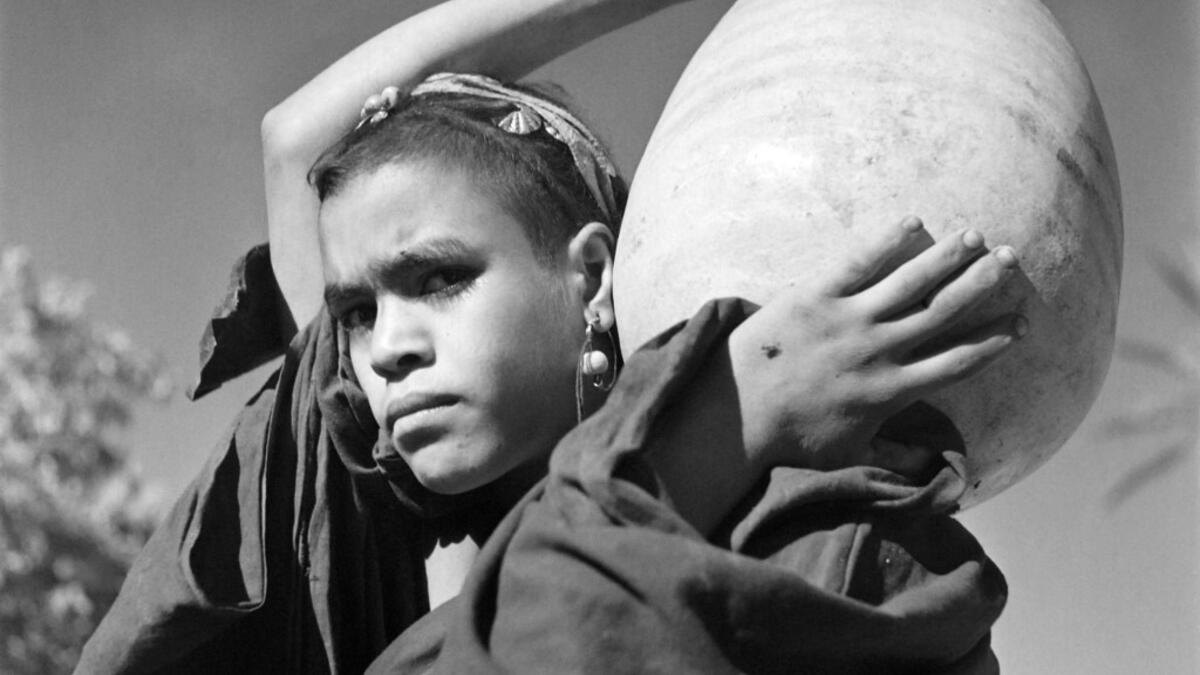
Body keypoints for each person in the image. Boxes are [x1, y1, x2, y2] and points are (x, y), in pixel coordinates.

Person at [77, 1, 1022, 672]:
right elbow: (298, 141)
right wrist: (723, 422)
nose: (384, 349)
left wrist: (728, 419)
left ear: (593, 272)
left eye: (440, 278)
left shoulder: (810, 554)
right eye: (357, 311)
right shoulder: (356, 518)